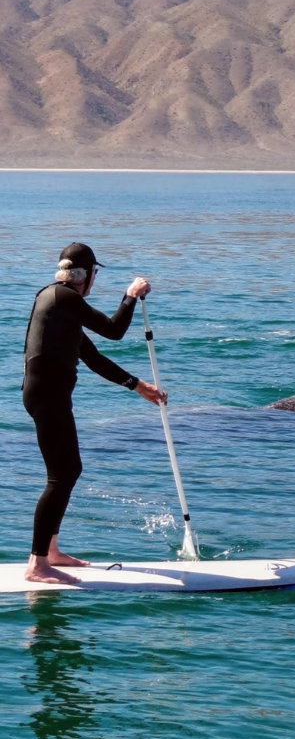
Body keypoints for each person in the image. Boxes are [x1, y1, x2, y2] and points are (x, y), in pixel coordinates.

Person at [22, 243, 166, 585]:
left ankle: (51, 552)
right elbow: (115, 330)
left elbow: (92, 356)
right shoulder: (64, 298)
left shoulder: (57, 302)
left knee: (67, 471)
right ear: (86, 276)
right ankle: (37, 565)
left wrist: (137, 385)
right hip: (47, 398)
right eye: (95, 275)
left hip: (48, 396)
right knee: (63, 474)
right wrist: (130, 295)